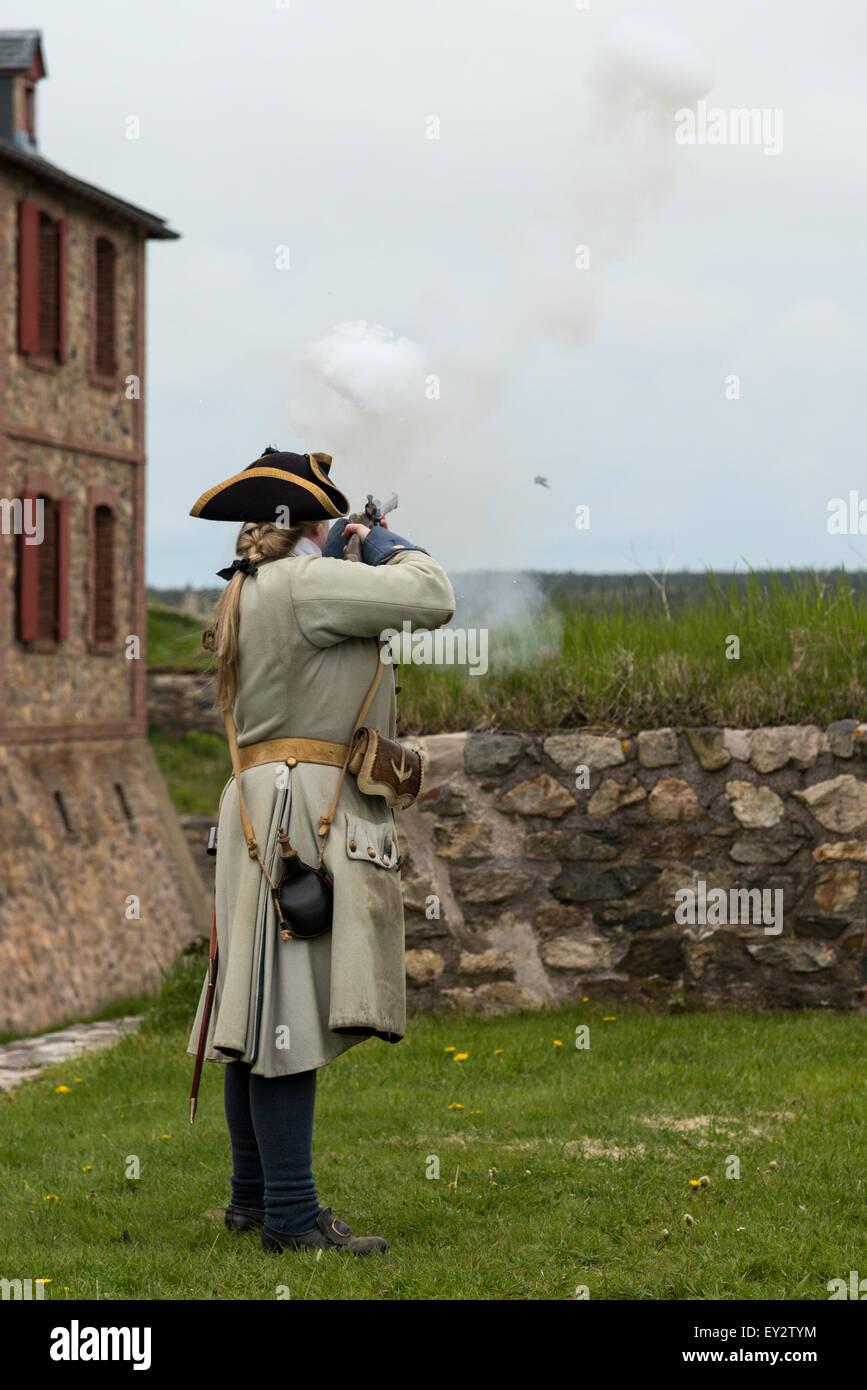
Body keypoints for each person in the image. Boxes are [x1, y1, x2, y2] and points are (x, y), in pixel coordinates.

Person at [186, 447, 454, 1256]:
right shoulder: (305, 583)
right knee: (285, 1017)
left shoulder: (253, 585)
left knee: (254, 1010)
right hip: (301, 809)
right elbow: (432, 595)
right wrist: (380, 542)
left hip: (259, 803)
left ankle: (250, 1198)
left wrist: (339, 547)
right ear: (309, 523)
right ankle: (292, 1220)